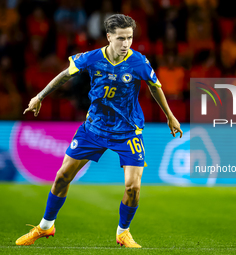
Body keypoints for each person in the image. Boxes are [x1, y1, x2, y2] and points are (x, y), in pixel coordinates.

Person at [16, 14, 183, 248]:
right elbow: (65, 75)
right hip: (93, 129)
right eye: (121, 38)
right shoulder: (92, 58)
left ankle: (123, 232)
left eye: (130, 38)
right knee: (62, 176)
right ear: (108, 37)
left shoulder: (139, 62)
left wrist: (170, 116)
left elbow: (155, 87)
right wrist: (39, 96)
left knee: (133, 187)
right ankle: (45, 226)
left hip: (128, 131)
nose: (126, 44)